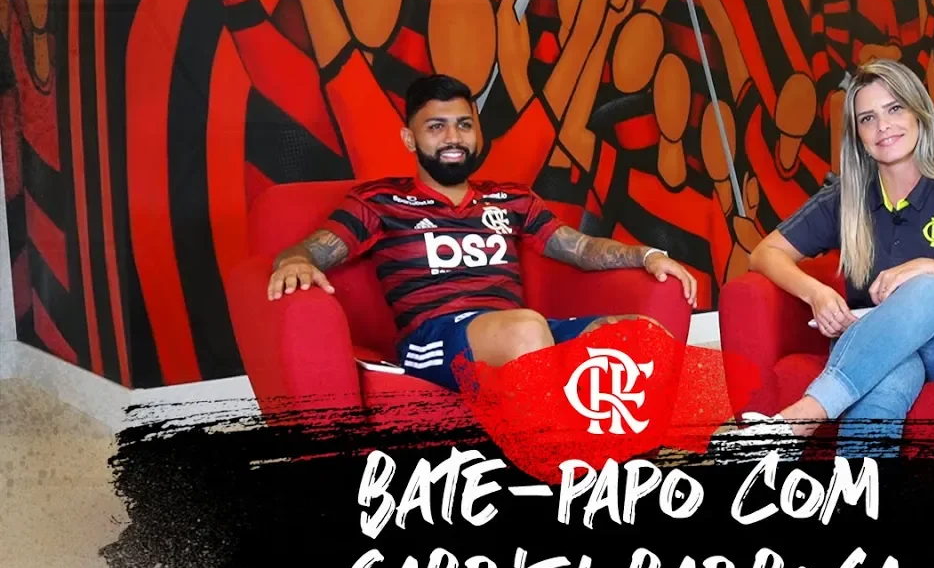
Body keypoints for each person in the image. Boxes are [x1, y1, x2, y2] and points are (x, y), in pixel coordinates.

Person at [266, 74, 698, 392]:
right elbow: (310, 250)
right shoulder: (380, 200)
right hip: (435, 340)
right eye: (436, 127)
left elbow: (580, 247)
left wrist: (647, 255)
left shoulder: (511, 198)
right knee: (526, 329)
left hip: (521, 333)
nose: (453, 137)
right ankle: (552, 470)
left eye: (464, 124)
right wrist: (295, 262)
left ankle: (620, 463)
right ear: (410, 139)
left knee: (642, 336)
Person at [725, 58, 934, 456]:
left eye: (895, 108)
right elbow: (765, 253)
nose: (883, 126)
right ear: (858, 136)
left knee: (928, 289)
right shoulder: (848, 196)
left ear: (919, 114)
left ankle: (801, 418)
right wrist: (816, 292)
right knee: (889, 371)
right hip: (885, 346)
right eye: (868, 118)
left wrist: (930, 268)